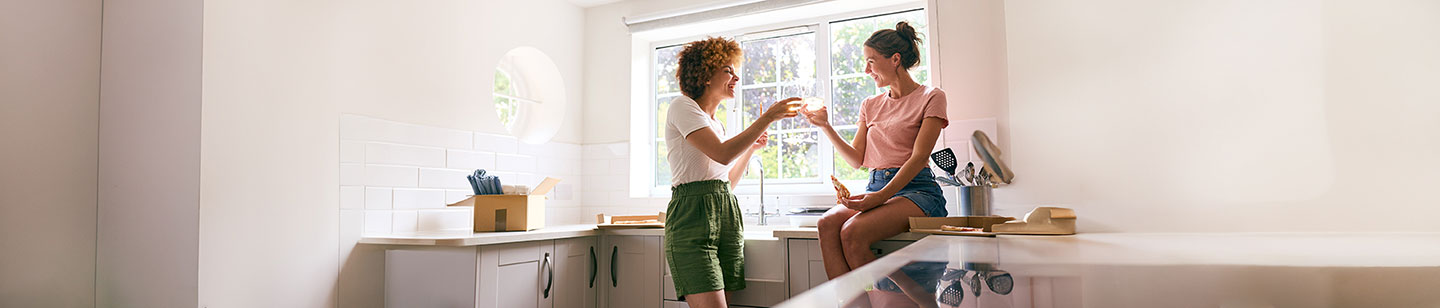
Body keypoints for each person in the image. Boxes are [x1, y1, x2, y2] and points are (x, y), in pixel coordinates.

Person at [801, 21, 949, 279]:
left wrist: (880, 197)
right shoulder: (869, 104)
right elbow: (856, 160)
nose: (866, 69)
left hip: (917, 190)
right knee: (826, 223)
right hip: (876, 186)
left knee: (852, 233)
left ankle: (894, 298)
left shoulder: (931, 97)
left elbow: (919, 158)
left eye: (871, 61)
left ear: (895, 59)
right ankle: (853, 302)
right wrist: (826, 126)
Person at [663, 36, 801, 308]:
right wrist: (767, 117)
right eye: (728, 70)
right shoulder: (682, 106)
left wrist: (751, 148)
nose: (736, 77)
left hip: (726, 214)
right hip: (692, 219)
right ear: (704, 74)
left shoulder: (716, 124)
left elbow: (726, 182)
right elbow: (722, 153)